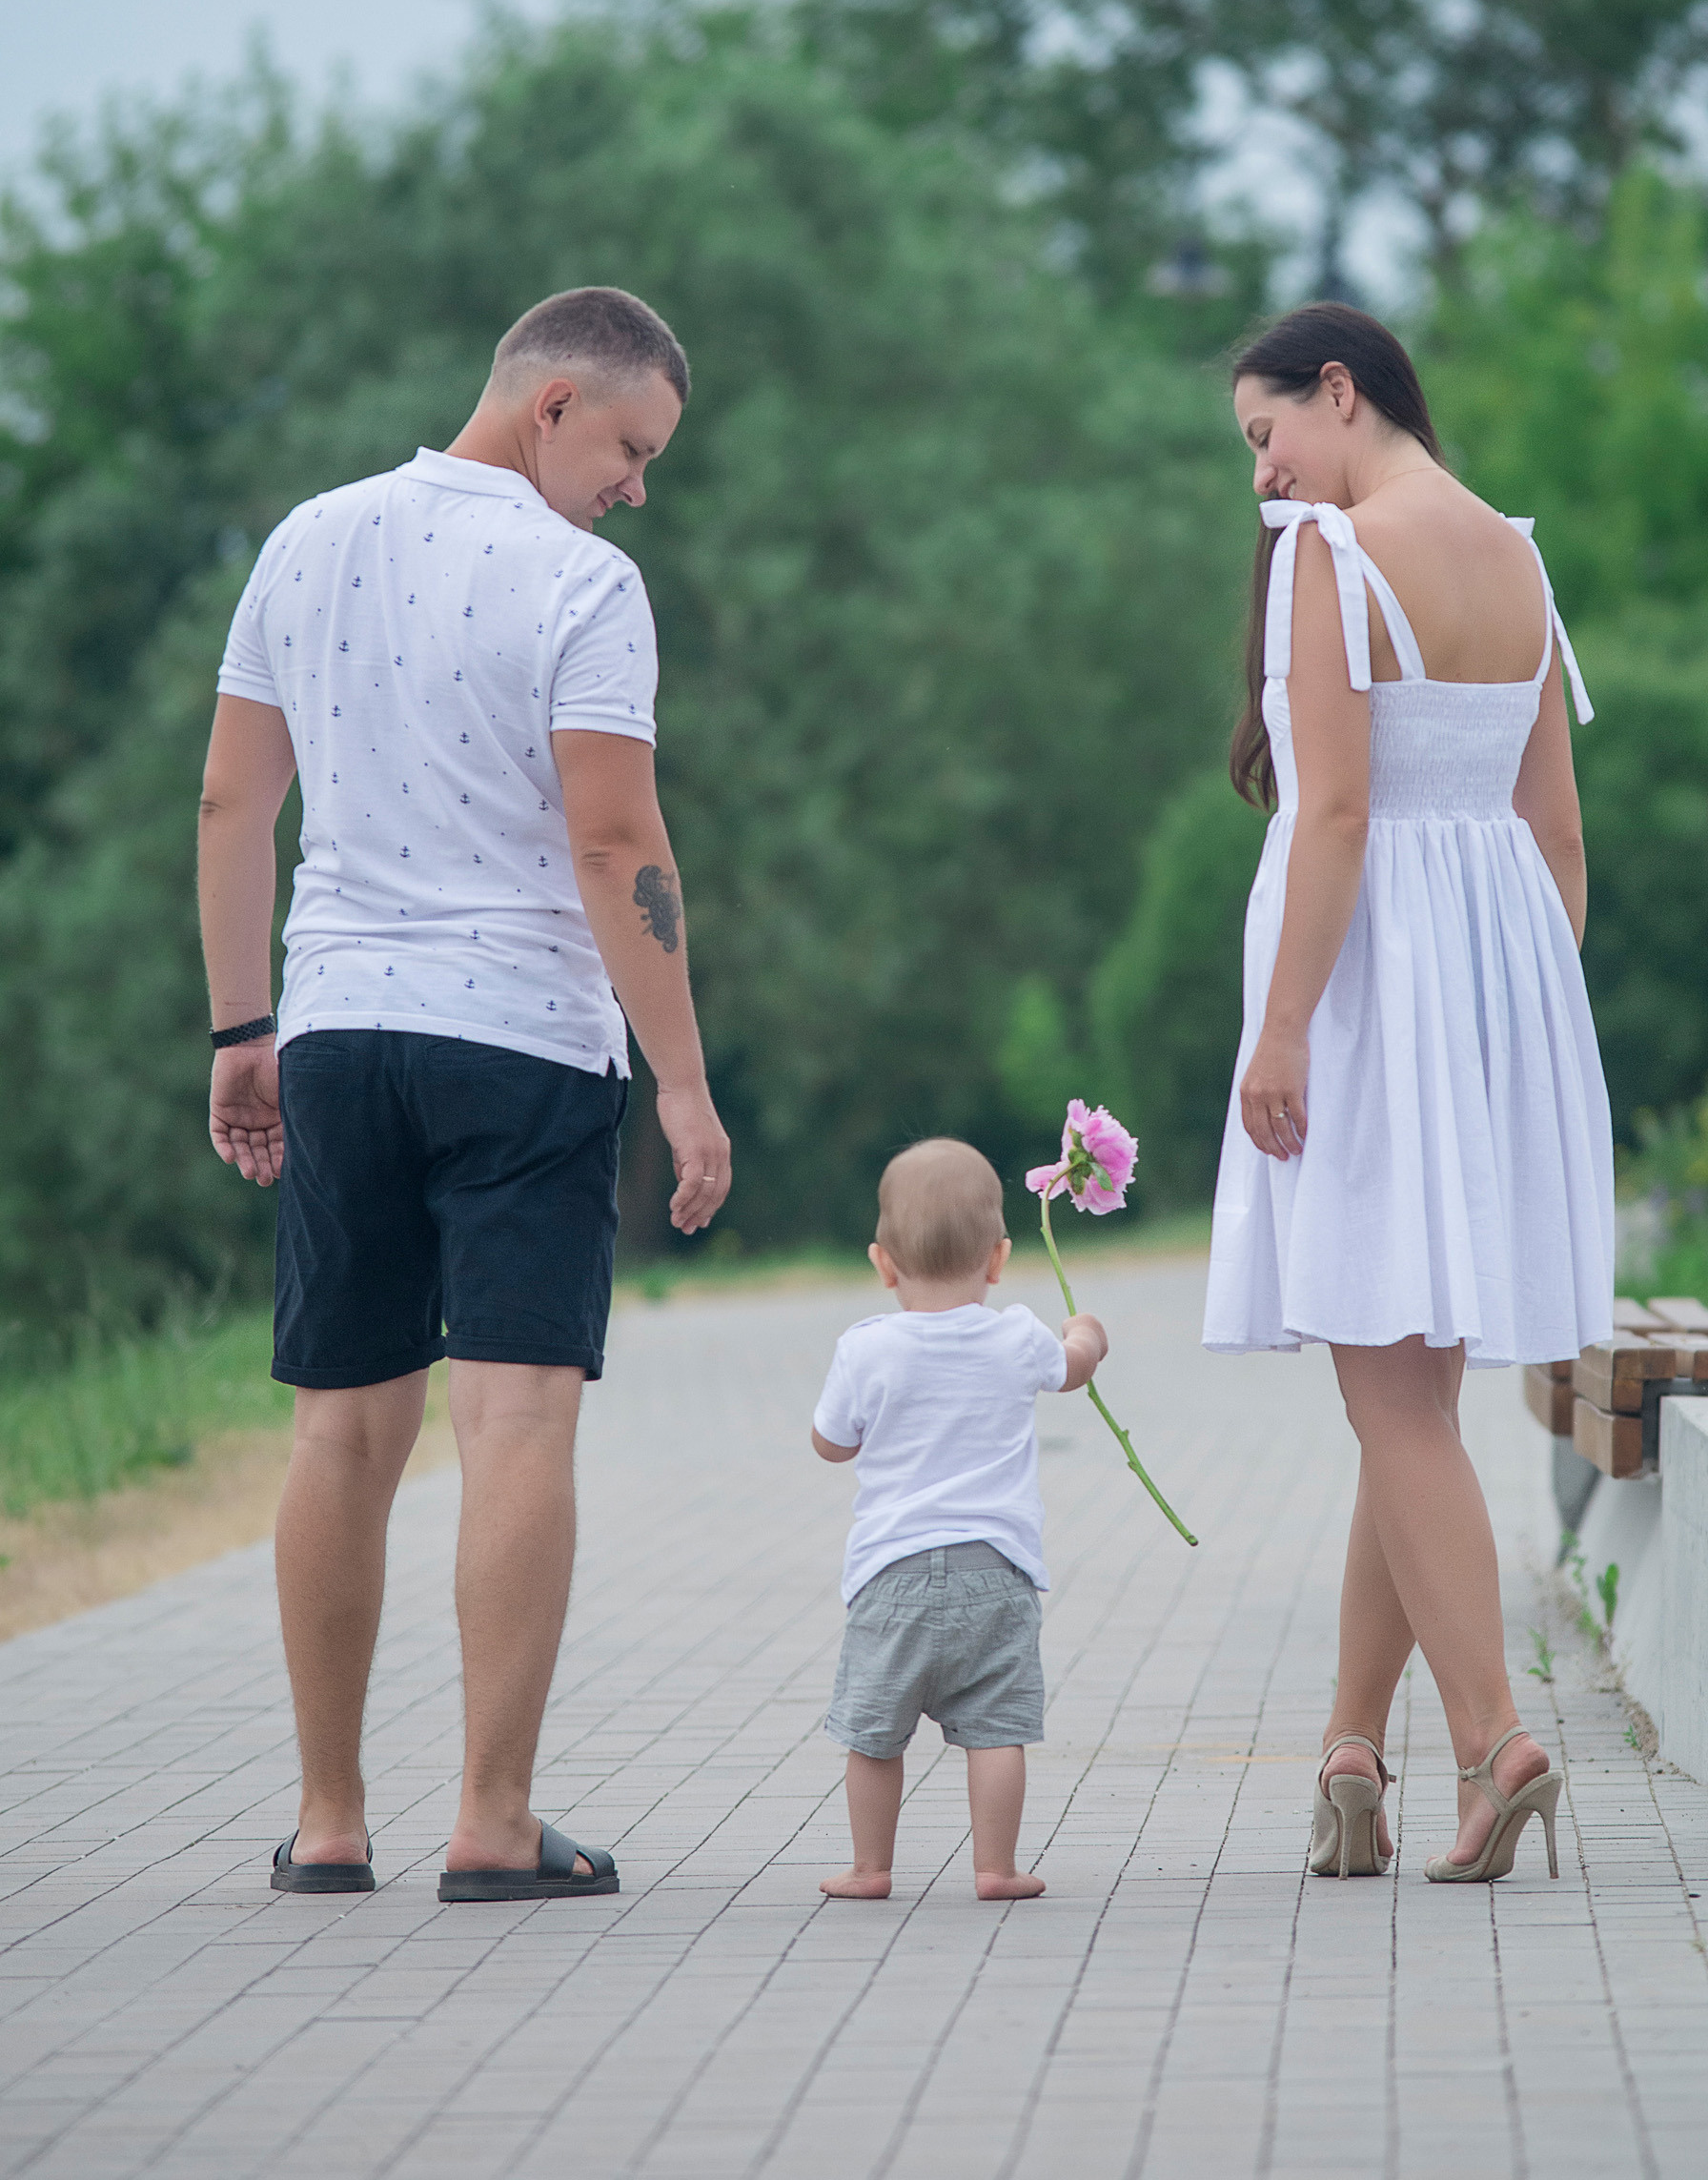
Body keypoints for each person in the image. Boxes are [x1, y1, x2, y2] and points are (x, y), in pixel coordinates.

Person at [197, 285, 731, 1904]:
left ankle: (330, 1819)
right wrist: (686, 1084)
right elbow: (615, 848)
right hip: (520, 1040)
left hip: (342, 1031)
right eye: (632, 447)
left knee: (342, 1431)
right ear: (554, 404)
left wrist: (239, 1030)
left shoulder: (312, 537)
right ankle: (494, 1826)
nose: (638, 485)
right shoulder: (584, 583)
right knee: (512, 1419)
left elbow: (233, 798)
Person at [1204, 305, 1613, 1885]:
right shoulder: (1517, 557)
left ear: (1338, 389)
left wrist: (1287, 1029)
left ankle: (1496, 1738)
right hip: (1497, 985)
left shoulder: (1333, 554)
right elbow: (1557, 833)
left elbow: (1338, 814)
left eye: (1266, 435)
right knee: (1414, 1403)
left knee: (1388, 1400)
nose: (1267, 473)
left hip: (1372, 990)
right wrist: (1523, 1020)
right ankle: (1352, 1757)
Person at [810, 1139, 1108, 1903]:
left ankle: (871, 1867)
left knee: (873, 1735)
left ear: (883, 1264)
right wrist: (1089, 1338)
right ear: (999, 1257)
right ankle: (997, 1868)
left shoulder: (866, 1348)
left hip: (891, 1578)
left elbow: (831, 1443)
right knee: (996, 1729)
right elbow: (1068, 1370)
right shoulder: (1016, 1334)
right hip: (997, 1571)